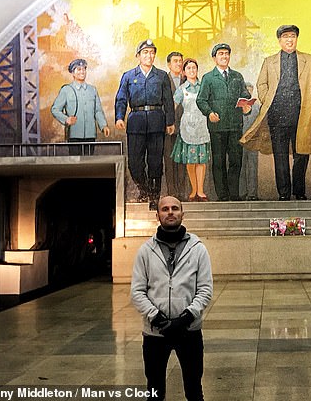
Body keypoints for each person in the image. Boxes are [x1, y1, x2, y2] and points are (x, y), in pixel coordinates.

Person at [131, 195, 213, 401]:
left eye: (175, 208)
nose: (170, 212)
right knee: (155, 389)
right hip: (155, 333)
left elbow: (204, 289)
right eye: (165, 209)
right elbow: (137, 291)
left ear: (182, 214)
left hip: (189, 331)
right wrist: (156, 317)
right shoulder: (145, 251)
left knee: (194, 389)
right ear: (157, 215)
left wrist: (186, 317)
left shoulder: (198, 249)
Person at [240, 25, 311, 201]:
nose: (289, 39)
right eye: (285, 36)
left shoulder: (308, 59)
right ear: (279, 40)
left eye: (292, 36)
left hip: (302, 115)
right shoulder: (269, 62)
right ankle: (284, 193)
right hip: (277, 116)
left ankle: (299, 192)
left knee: (302, 155)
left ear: (297, 39)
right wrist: (267, 99)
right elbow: (261, 84)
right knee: (280, 156)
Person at [115, 39, 175, 210]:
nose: (149, 55)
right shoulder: (128, 76)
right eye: (145, 52)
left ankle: (154, 197)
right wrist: (120, 117)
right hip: (136, 121)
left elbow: (168, 101)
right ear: (138, 55)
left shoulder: (162, 76)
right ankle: (144, 190)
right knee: (135, 163)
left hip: (157, 121)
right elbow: (121, 98)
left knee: (155, 161)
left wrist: (170, 121)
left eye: (152, 52)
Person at [196, 43, 252, 201]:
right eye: (221, 54)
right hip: (217, 126)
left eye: (226, 53)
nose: (224, 56)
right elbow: (201, 100)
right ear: (214, 58)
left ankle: (234, 194)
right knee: (219, 162)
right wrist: (209, 113)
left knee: (235, 160)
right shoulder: (208, 78)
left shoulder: (237, 76)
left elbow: (245, 94)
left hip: (235, 125)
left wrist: (246, 104)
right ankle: (222, 195)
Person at [171, 58, 211, 202]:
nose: (192, 71)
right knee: (191, 160)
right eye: (188, 68)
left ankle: (201, 191)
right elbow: (173, 106)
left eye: (194, 68)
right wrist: (169, 122)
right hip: (187, 126)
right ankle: (193, 189)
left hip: (202, 124)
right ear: (184, 72)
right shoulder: (181, 89)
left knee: (201, 160)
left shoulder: (204, 87)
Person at [51, 58, 109, 155]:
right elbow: (55, 109)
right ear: (73, 73)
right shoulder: (66, 90)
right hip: (74, 134)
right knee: (75, 165)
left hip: (90, 134)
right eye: (78, 69)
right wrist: (66, 119)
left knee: (89, 163)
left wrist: (103, 126)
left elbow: (98, 111)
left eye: (84, 69)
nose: (82, 72)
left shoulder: (92, 90)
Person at [164, 51, 188, 199]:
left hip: (186, 126)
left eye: (180, 61)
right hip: (168, 126)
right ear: (169, 64)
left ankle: (182, 192)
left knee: (183, 160)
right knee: (169, 159)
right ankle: (171, 192)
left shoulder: (189, 79)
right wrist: (168, 121)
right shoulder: (163, 80)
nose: (178, 64)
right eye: (175, 61)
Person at [239, 82, 260, 201]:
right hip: (240, 140)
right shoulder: (238, 105)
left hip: (253, 140)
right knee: (241, 167)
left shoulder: (256, 106)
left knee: (253, 167)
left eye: (250, 90)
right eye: (246, 89)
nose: (248, 91)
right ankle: (242, 192)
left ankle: (252, 194)